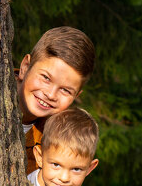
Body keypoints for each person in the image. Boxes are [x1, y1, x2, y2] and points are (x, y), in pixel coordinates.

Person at [15, 26, 95, 174]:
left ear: (76, 97)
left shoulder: (54, 137)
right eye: (46, 78)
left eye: (65, 90)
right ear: (25, 67)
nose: (51, 95)